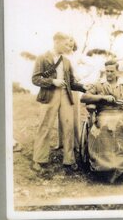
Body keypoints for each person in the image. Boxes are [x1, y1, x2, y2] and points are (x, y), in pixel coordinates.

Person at [32, 32, 87, 173]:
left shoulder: (67, 61)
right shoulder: (42, 58)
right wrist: (52, 81)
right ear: (56, 42)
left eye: (69, 43)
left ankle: (69, 160)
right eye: (65, 43)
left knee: (68, 127)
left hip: (66, 96)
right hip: (49, 95)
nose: (68, 46)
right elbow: (35, 79)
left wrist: (82, 87)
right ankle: (39, 160)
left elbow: (71, 83)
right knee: (45, 126)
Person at [81, 60, 123, 183]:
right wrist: (102, 97)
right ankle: (101, 166)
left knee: (119, 126)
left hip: (121, 114)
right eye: (107, 71)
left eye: (112, 71)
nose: (109, 74)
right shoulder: (99, 84)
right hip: (103, 114)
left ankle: (118, 166)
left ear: (117, 71)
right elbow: (84, 97)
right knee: (101, 127)